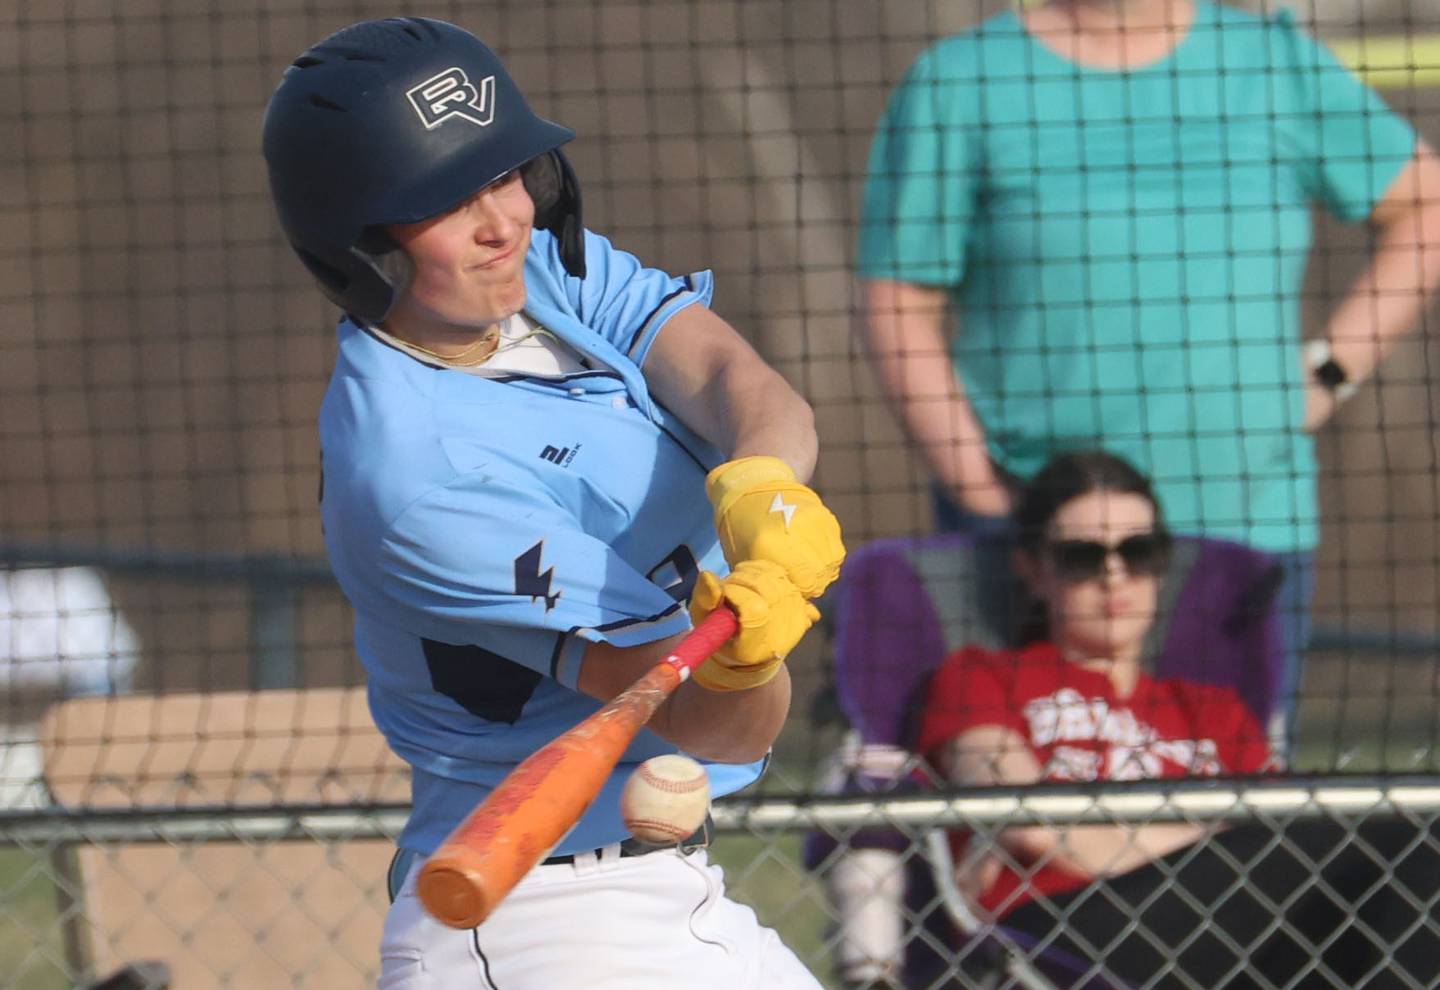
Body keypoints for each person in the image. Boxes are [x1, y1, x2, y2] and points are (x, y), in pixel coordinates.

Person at [260, 17, 845, 990]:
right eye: (450, 202)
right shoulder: (417, 477)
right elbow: (721, 724)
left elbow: (732, 376)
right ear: (361, 246)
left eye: (506, 174)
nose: (505, 220)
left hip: (659, 888)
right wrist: (751, 652)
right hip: (543, 912)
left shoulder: (537, 274)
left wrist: (765, 483)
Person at [857, 0, 1440, 748]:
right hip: (1041, 553)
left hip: (1243, 528)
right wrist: (981, 489)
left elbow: (1423, 206)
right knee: (1034, 830)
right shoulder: (961, 82)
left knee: (1234, 829)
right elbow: (897, 300)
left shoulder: (1270, 65)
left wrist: (1327, 373)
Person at [916, 450, 1440, 988]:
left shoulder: (1216, 711)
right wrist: (1211, 837)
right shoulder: (981, 677)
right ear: (1032, 567)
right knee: (1382, 837)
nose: (1114, 576)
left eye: (1139, 551)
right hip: (1059, 928)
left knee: (1410, 854)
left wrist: (1097, 837)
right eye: (1082, 557)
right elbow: (1028, 821)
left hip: (1235, 936)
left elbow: (1273, 850)